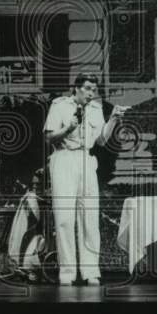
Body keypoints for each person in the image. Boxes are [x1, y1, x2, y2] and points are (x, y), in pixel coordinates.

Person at [43, 74, 128, 286]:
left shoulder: (96, 109)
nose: (91, 93)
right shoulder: (60, 105)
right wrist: (68, 128)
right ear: (76, 88)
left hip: (86, 161)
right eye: (88, 88)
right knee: (64, 218)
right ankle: (67, 272)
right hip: (64, 159)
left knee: (89, 217)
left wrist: (114, 119)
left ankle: (91, 271)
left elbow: (101, 139)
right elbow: (48, 138)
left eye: (94, 89)